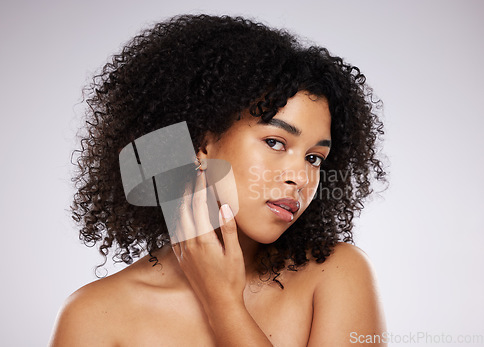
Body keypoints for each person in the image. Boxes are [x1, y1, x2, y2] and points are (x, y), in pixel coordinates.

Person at [50, 14, 388, 346]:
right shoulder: (95, 316)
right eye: (275, 142)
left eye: (314, 158)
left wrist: (224, 304)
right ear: (202, 143)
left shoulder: (336, 275)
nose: (300, 177)